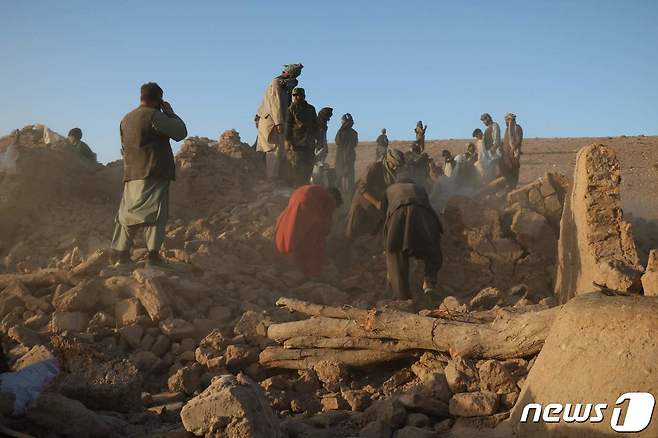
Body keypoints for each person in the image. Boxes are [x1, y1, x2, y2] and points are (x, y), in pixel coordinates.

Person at [110, 82, 187, 266]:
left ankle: (121, 255)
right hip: (154, 172)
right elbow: (180, 132)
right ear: (159, 100)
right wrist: (170, 113)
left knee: (128, 213)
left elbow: (123, 147)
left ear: (141, 97)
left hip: (131, 174)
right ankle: (153, 257)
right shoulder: (155, 116)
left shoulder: (125, 119)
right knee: (156, 213)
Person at [384, 180, 443, 299]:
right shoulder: (419, 187)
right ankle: (429, 282)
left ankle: (402, 296)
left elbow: (385, 216)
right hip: (421, 213)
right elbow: (429, 206)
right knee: (432, 246)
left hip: (398, 215)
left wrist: (386, 247)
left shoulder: (389, 190)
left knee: (395, 252)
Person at [274, 185, 342, 277]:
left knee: (291, 229)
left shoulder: (314, 191)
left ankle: (291, 259)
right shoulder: (328, 199)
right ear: (334, 198)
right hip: (307, 204)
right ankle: (312, 274)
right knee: (314, 239)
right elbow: (325, 226)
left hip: (296, 199)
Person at [256, 63, 303, 182]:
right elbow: (275, 104)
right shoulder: (276, 83)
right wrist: (278, 123)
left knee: (277, 150)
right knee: (273, 149)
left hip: (276, 120)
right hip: (271, 121)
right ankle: (271, 178)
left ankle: (271, 177)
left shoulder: (285, 84)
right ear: (289, 73)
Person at [346, 149, 404, 241]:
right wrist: (376, 203)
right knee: (352, 232)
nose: (395, 168)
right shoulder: (374, 168)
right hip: (362, 204)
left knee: (371, 234)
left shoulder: (393, 174)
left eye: (398, 166)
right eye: (394, 165)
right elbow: (361, 188)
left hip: (376, 207)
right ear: (388, 161)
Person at [286, 88, 318, 187]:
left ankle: (305, 187)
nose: (295, 97)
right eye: (294, 96)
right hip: (297, 144)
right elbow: (288, 126)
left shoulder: (311, 109)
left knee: (308, 168)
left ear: (303, 96)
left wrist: (316, 137)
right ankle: (298, 189)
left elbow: (315, 124)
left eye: (297, 95)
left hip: (309, 143)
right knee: (297, 169)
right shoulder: (291, 108)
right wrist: (289, 141)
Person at [335, 113, 358, 195]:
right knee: (349, 175)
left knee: (341, 175)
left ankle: (343, 195)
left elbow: (337, 141)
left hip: (342, 156)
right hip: (349, 156)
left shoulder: (341, 131)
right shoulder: (354, 132)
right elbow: (355, 144)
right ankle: (348, 194)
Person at [312, 107, 333, 187]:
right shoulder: (317, 123)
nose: (328, 119)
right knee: (316, 172)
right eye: (328, 116)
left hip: (321, 150)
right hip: (317, 150)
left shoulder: (322, 124)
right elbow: (317, 138)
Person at [501, 113, 524, 189]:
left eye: (507, 120)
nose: (506, 122)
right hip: (506, 156)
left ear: (509, 120)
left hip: (513, 155)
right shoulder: (508, 129)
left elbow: (518, 140)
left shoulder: (517, 128)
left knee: (513, 173)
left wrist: (512, 150)